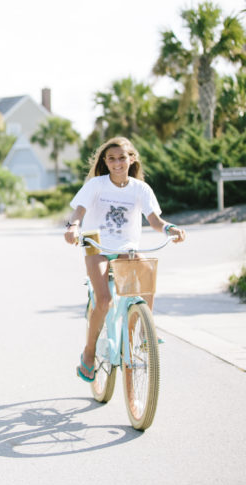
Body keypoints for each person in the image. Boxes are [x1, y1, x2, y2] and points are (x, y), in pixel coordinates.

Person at [63, 136, 186, 382]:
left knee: (146, 273)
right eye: (112, 159)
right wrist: (73, 227)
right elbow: (79, 212)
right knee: (105, 299)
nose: (117, 163)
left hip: (126, 247)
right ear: (105, 162)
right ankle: (88, 354)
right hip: (96, 244)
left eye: (122, 158)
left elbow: (155, 221)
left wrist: (170, 229)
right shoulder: (96, 185)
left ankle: (143, 332)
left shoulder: (140, 189)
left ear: (132, 159)